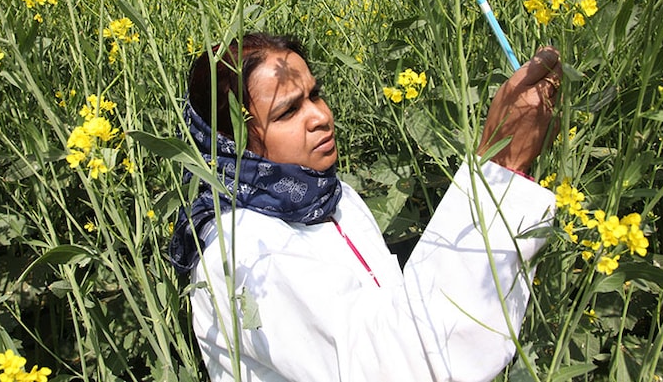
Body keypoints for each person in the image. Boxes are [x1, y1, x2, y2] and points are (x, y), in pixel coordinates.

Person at [169, 33, 562, 382]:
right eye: (289, 111)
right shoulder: (245, 253)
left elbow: (393, 311)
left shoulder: (330, 196)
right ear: (227, 141)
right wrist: (502, 163)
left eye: (315, 95)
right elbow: (396, 364)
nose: (321, 117)